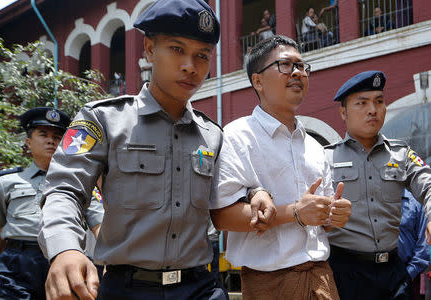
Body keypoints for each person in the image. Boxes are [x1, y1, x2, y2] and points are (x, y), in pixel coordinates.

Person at [38, 1, 228, 300]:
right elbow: (64, 188)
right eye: (177, 49)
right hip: (127, 289)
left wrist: (256, 194)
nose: (190, 66)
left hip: (201, 288)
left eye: (202, 55)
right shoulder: (102, 119)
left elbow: (228, 197)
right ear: (149, 49)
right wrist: (65, 248)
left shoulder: (213, 135)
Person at [210, 35, 351, 299]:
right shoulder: (238, 136)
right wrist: (296, 212)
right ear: (258, 81)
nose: (298, 73)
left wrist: (333, 216)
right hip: (269, 284)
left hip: (321, 276)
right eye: (285, 65)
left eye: (302, 66)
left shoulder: (314, 146)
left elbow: (320, 221)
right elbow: (222, 216)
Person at [325, 70, 431, 300]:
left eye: (379, 101)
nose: (373, 109)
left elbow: (427, 184)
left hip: (393, 271)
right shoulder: (324, 158)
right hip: (345, 274)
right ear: (343, 112)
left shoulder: (402, 154)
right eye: (362, 103)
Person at [0, 107, 103, 300]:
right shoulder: (7, 182)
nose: (50, 140)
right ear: (28, 142)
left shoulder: (83, 185)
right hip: (18, 263)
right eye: (43, 134)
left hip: (66, 258)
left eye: (57, 136)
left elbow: (100, 225)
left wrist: (110, 265)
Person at [396, 189, 429, 299]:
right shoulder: (374, 202)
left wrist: (408, 276)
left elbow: (424, 246)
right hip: (371, 273)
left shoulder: (416, 202)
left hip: (405, 275)